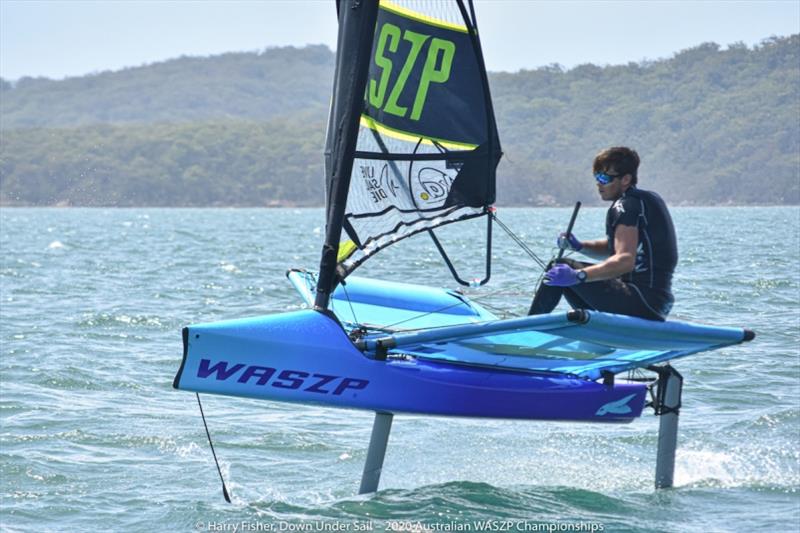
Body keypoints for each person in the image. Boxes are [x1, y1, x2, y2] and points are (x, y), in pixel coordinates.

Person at [528, 147, 677, 321]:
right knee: (565, 275)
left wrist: (579, 275)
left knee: (559, 266)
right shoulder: (646, 199)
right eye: (597, 177)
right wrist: (579, 246)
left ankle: (526, 328)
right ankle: (588, 333)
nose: (599, 183)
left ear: (625, 179)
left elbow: (624, 260)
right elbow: (617, 248)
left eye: (605, 178)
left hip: (640, 300)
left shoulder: (625, 205)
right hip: (657, 305)